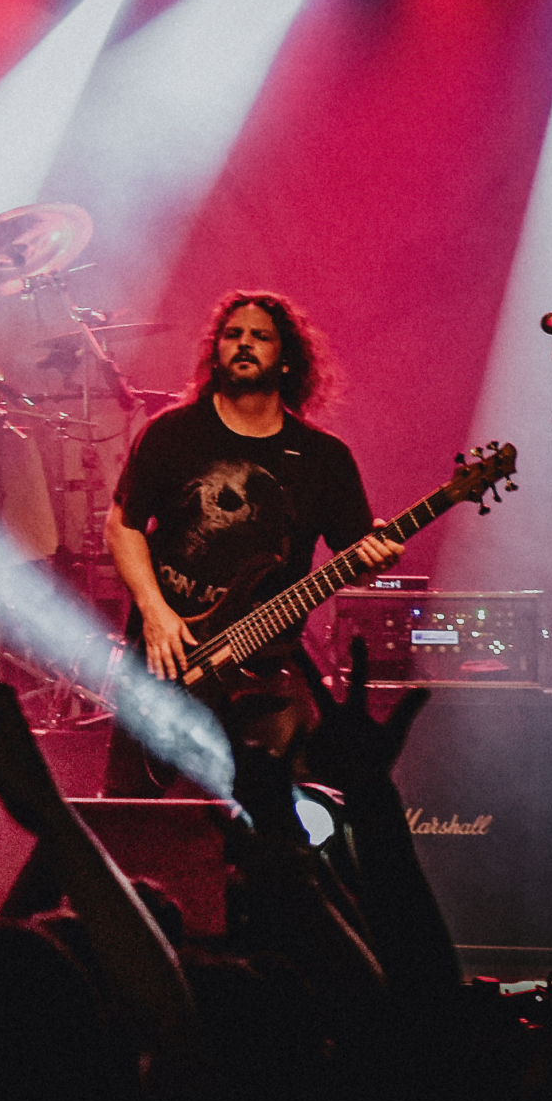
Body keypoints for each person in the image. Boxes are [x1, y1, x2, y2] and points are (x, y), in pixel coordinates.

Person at [101, 291, 400, 796]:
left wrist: (376, 557)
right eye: (233, 334)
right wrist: (155, 612)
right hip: (166, 656)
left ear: (286, 359)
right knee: (133, 813)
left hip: (264, 669)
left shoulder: (323, 457)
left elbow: (356, 555)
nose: (244, 343)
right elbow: (121, 526)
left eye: (260, 336)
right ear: (215, 351)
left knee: (276, 818)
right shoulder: (171, 432)